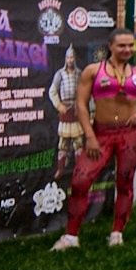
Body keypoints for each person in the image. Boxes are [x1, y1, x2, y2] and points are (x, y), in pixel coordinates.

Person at [55, 30, 136, 250]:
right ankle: (71, 237)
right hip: (101, 133)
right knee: (80, 181)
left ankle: (117, 233)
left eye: (130, 45)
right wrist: (89, 136)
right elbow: (81, 104)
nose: (127, 50)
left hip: (130, 134)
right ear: (110, 46)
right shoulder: (93, 71)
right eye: (121, 46)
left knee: (125, 182)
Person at [47, 45, 82, 181]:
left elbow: (85, 91)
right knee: (63, 143)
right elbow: (52, 91)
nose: (70, 60)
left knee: (78, 142)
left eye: (71, 57)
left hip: (76, 110)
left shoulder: (79, 74)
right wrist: (59, 105)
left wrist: (83, 106)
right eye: (68, 57)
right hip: (65, 111)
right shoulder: (59, 74)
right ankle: (60, 169)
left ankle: (79, 170)